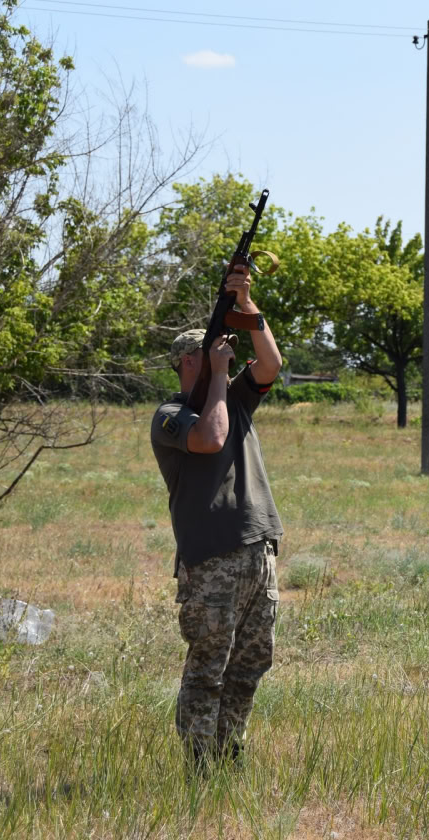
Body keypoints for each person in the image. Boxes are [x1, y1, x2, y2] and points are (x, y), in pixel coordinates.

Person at [150, 262, 284, 767]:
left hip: (257, 548)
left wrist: (246, 303)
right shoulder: (170, 415)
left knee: (250, 662)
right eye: (212, 350)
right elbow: (212, 438)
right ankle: (200, 765)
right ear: (189, 361)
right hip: (211, 559)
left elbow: (269, 365)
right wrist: (221, 377)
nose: (226, 354)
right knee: (209, 664)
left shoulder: (236, 397)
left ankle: (231, 755)